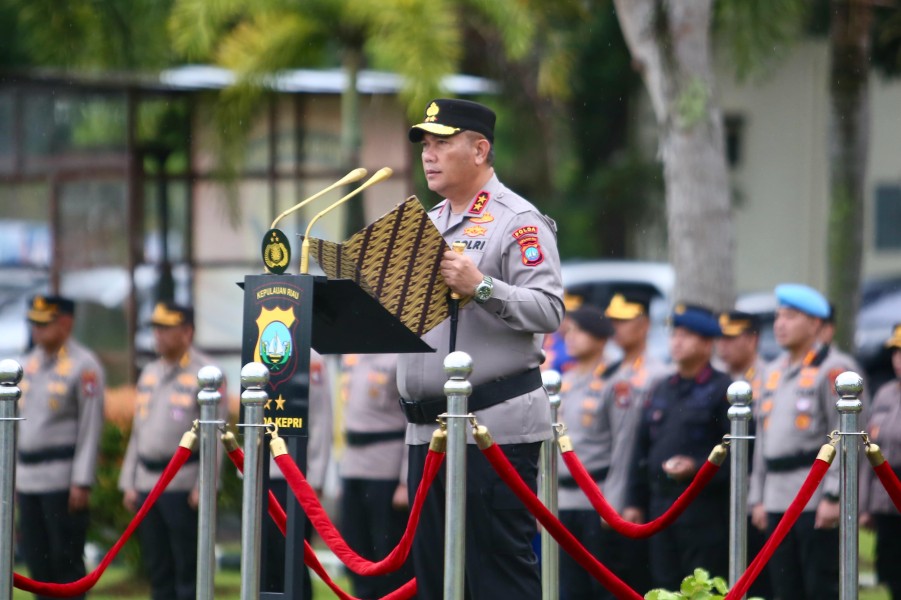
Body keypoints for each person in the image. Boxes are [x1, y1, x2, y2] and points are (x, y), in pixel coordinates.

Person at [399, 98, 564, 599]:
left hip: (492, 430)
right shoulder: (426, 223)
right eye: (425, 145)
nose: (429, 155)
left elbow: (549, 310)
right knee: (436, 580)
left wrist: (482, 286)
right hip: (427, 432)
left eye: (441, 143)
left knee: (495, 579)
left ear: (479, 150)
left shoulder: (517, 220)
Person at [748, 283, 866, 600]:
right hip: (776, 496)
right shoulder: (771, 371)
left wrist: (834, 495)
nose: (780, 324)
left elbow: (846, 436)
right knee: (784, 587)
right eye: (778, 316)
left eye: (790, 316)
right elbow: (763, 439)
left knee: (819, 587)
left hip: (814, 496)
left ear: (815, 323)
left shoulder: (834, 369)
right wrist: (757, 496)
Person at [119, 301, 225, 600]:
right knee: (158, 568)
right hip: (147, 483)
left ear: (187, 332)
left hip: (183, 484)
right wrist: (129, 481)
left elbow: (214, 437)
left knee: (188, 568)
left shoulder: (207, 374)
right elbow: (138, 431)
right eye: (156, 328)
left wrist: (205, 485)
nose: (158, 335)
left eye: (166, 328)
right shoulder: (150, 372)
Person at [623, 304, 732, 591]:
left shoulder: (723, 389)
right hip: (660, 504)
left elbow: (736, 453)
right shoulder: (662, 387)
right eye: (674, 334)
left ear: (707, 344)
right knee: (664, 585)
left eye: (686, 335)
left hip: (703, 509)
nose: (677, 341)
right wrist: (634, 501)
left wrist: (696, 466)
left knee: (702, 587)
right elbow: (641, 449)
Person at [16, 295, 105, 600]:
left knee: (65, 563)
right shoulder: (27, 364)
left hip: (62, 480)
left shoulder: (84, 365)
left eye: (44, 323)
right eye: (34, 323)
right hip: (28, 480)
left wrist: (82, 480)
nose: (37, 329)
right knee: (37, 565)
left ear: (66, 323)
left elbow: (90, 426)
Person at [596, 291, 669, 595]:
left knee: (637, 581)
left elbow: (633, 447)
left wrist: (626, 499)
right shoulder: (610, 373)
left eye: (624, 320)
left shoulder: (658, 375)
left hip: (636, 495)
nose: (616, 327)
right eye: (614, 320)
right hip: (604, 490)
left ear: (645, 325)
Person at [260, 349, 332, 596]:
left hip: (294, 475)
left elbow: (320, 420)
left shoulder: (309, 357)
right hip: (261, 472)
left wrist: (316, 476)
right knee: (261, 561)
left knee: (292, 561)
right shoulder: (257, 347)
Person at [339, 353, 412, 597]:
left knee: (387, 551)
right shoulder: (353, 357)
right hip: (353, 466)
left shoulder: (399, 358)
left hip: (386, 469)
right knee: (355, 546)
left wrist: (406, 480)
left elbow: (412, 421)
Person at [555, 305, 614, 600]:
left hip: (598, 497)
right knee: (568, 585)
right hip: (563, 499)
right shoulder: (563, 382)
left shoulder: (614, 382)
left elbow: (623, 448)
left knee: (602, 584)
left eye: (580, 331)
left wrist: (616, 501)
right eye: (570, 330)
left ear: (601, 338)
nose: (571, 336)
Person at [716, 310, 772, 599]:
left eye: (731, 338)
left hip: (756, 483)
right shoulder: (717, 377)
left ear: (752, 340)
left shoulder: (768, 378)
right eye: (720, 338)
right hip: (721, 485)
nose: (722, 345)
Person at [859, 323, 901, 599]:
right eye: (896, 352)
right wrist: (865, 506)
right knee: (891, 571)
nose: (898, 359)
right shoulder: (885, 393)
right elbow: (869, 451)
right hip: (885, 498)